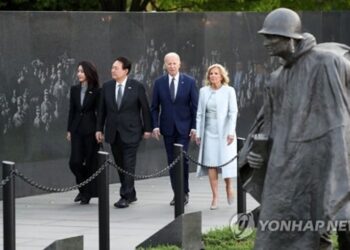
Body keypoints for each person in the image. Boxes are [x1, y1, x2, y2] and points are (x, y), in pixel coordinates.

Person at [246, 8, 350, 250]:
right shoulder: (276, 78)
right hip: (291, 164)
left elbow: (341, 118)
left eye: (272, 37)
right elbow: (269, 124)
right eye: (265, 37)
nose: (267, 43)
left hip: (331, 155)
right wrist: (257, 152)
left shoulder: (327, 61)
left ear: (291, 39)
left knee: (342, 220)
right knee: (287, 230)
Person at [96, 56, 152, 209]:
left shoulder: (136, 86)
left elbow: (145, 109)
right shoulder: (107, 87)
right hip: (113, 132)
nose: (112, 70)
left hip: (132, 132)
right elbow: (102, 110)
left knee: (128, 164)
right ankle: (131, 192)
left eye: (116, 68)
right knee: (120, 164)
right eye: (112, 67)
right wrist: (99, 129)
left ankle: (125, 196)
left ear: (125, 71)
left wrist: (148, 129)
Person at [151, 52, 198, 206]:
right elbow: (154, 107)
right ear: (165, 65)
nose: (171, 66)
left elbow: (195, 107)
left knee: (183, 160)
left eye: (174, 63)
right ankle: (176, 193)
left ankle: (184, 192)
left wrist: (194, 127)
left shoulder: (190, 82)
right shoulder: (159, 83)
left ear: (179, 64)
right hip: (168, 129)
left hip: (184, 129)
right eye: (168, 63)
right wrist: (155, 125)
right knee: (172, 161)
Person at [195, 64, 238, 210]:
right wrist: (199, 134)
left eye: (216, 73)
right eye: (211, 73)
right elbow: (200, 113)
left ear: (222, 76)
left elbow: (233, 113)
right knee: (211, 163)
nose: (213, 76)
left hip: (225, 131)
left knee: (225, 161)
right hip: (208, 131)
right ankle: (215, 197)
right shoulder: (203, 91)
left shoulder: (229, 91)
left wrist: (231, 132)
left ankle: (229, 186)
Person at [67, 61, 100, 205]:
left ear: (88, 72)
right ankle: (83, 188)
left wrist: (99, 130)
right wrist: (69, 129)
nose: (79, 74)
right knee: (74, 162)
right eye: (78, 71)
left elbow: (100, 113)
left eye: (81, 71)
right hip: (76, 131)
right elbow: (72, 111)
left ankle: (86, 194)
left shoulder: (97, 90)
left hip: (91, 131)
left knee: (91, 163)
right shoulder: (74, 89)